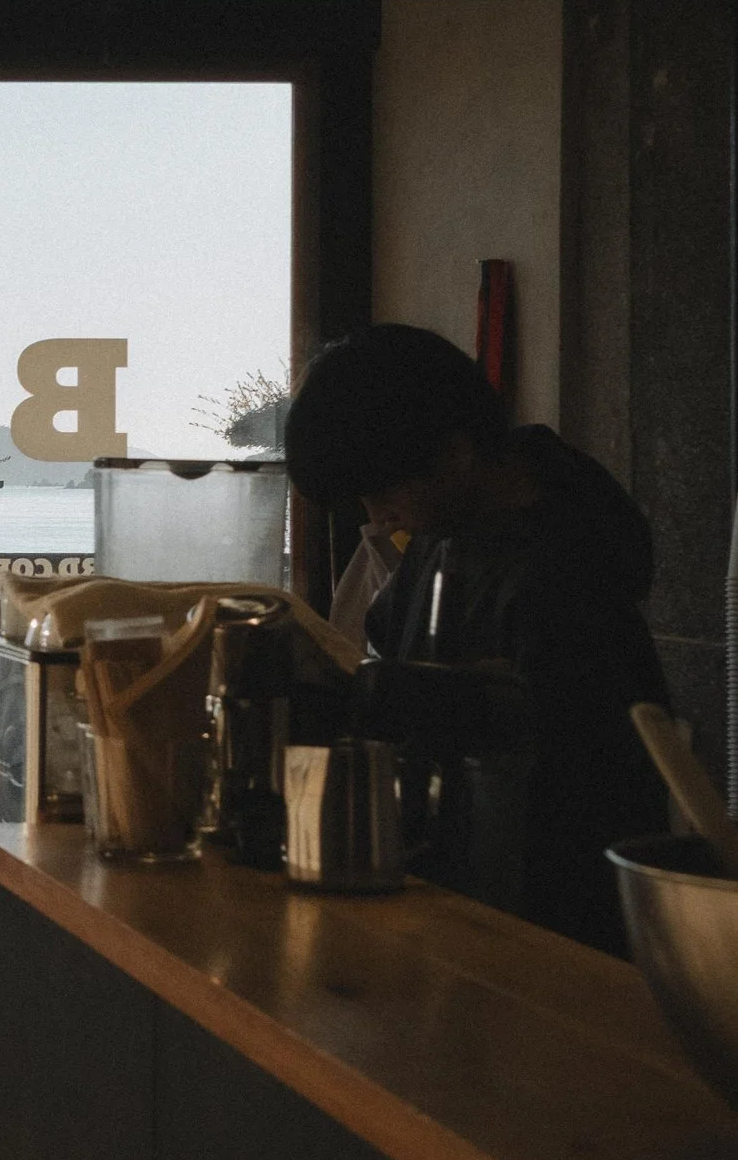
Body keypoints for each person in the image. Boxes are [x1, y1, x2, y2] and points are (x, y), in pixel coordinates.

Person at [282, 322, 669, 949]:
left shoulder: (569, 567)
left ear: (456, 454)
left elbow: (573, 800)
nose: (375, 514)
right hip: (454, 913)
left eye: (381, 490)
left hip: (548, 934)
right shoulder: (450, 533)